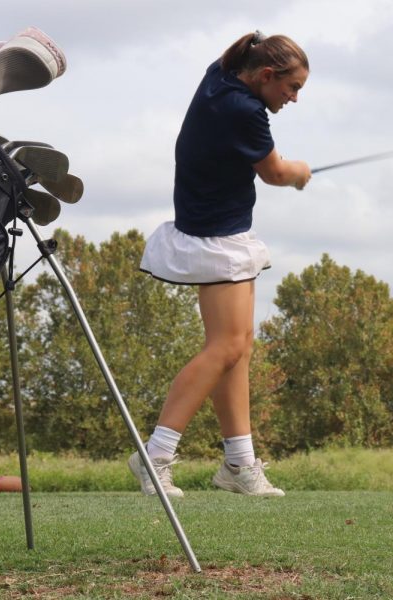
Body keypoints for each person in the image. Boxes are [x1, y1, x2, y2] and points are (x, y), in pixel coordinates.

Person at [129, 31, 311, 498]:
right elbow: (274, 172)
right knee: (226, 347)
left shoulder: (221, 76)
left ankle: (239, 465)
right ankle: (155, 456)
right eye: (291, 89)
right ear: (267, 76)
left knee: (239, 348)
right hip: (215, 237)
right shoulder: (245, 110)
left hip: (218, 228)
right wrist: (299, 172)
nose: (293, 100)